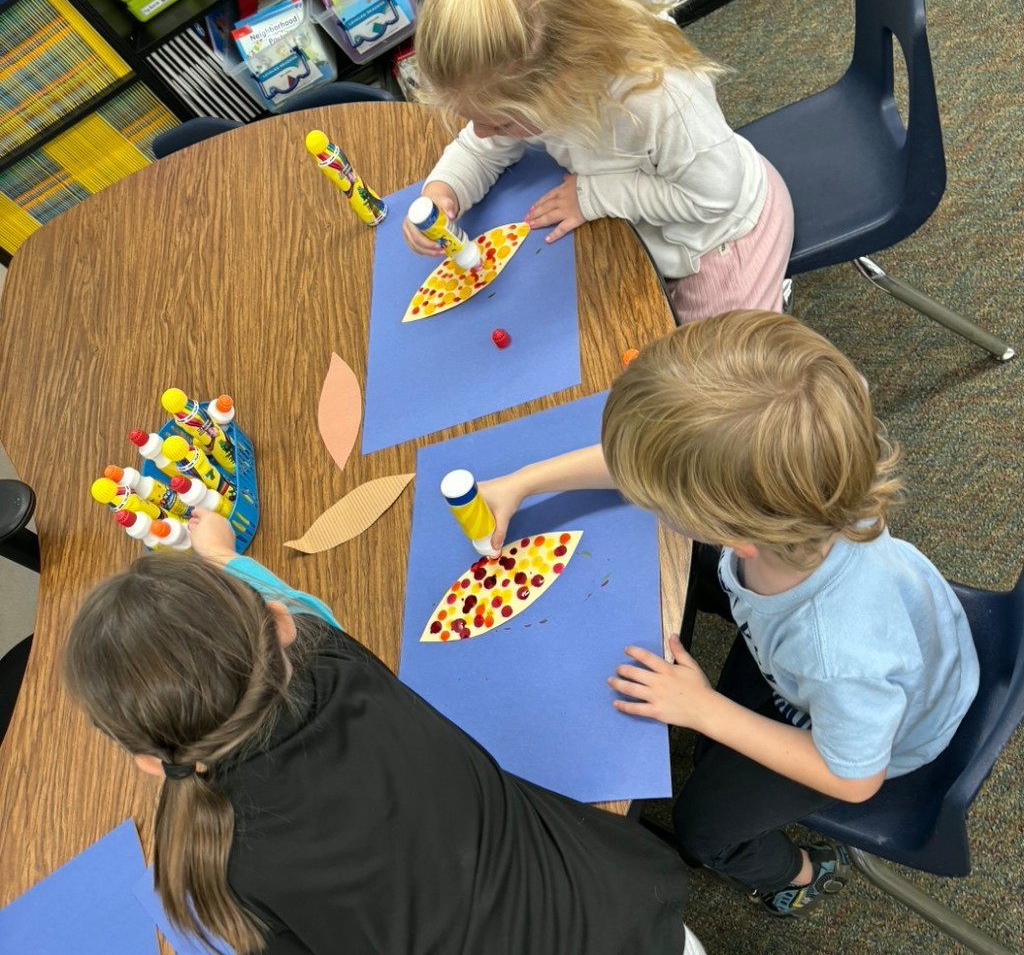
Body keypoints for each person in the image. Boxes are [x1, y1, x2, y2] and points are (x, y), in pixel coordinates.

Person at [478, 310, 980, 917]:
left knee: (702, 827)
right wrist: (522, 482)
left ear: (729, 532)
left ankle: (797, 875)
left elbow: (854, 779)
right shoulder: (809, 473)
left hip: (875, 741)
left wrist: (704, 709)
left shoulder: (833, 648)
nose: (643, 499)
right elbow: (655, 459)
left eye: (657, 502)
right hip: (859, 658)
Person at [62, 508, 705, 955]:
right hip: (624, 917)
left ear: (151, 764)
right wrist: (226, 558)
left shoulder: (220, 866)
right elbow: (304, 612)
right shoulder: (338, 668)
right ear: (280, 627)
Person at [401, 0, 794, 325]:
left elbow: (714, 198)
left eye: (499, 122)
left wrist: (592, 195)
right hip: (660, 223)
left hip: (720, 238)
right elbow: (482, 147)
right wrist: (444, 189)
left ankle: (773, 291)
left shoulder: (661, 97)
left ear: (562, 80)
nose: (482, 132)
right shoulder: (535, 80)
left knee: (718, 371)